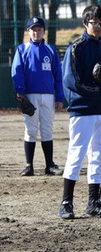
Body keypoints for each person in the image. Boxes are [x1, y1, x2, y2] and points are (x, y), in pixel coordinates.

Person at [59, 5, 101, 219]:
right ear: (85, 23)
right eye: (95, 22)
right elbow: (71, 82)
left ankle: (94, 201)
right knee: (77, 154)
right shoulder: (77, 48)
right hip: (82, 110)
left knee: (98, 156)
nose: (99, 26)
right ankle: (66, 202)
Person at [11, 17, 64, 176]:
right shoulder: (22, 49)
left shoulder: (50, 49)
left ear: (43, 31)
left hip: (48, 95)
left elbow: (58, 75)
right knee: (31, 129)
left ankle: (49, 166)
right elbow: (17, 71)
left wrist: (59, 97)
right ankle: (29, 165)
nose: (36, 32)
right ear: (28, 31)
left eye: (39, 29)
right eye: (33, 29)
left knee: (47, 129)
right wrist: (20, 90)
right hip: (30, 95)